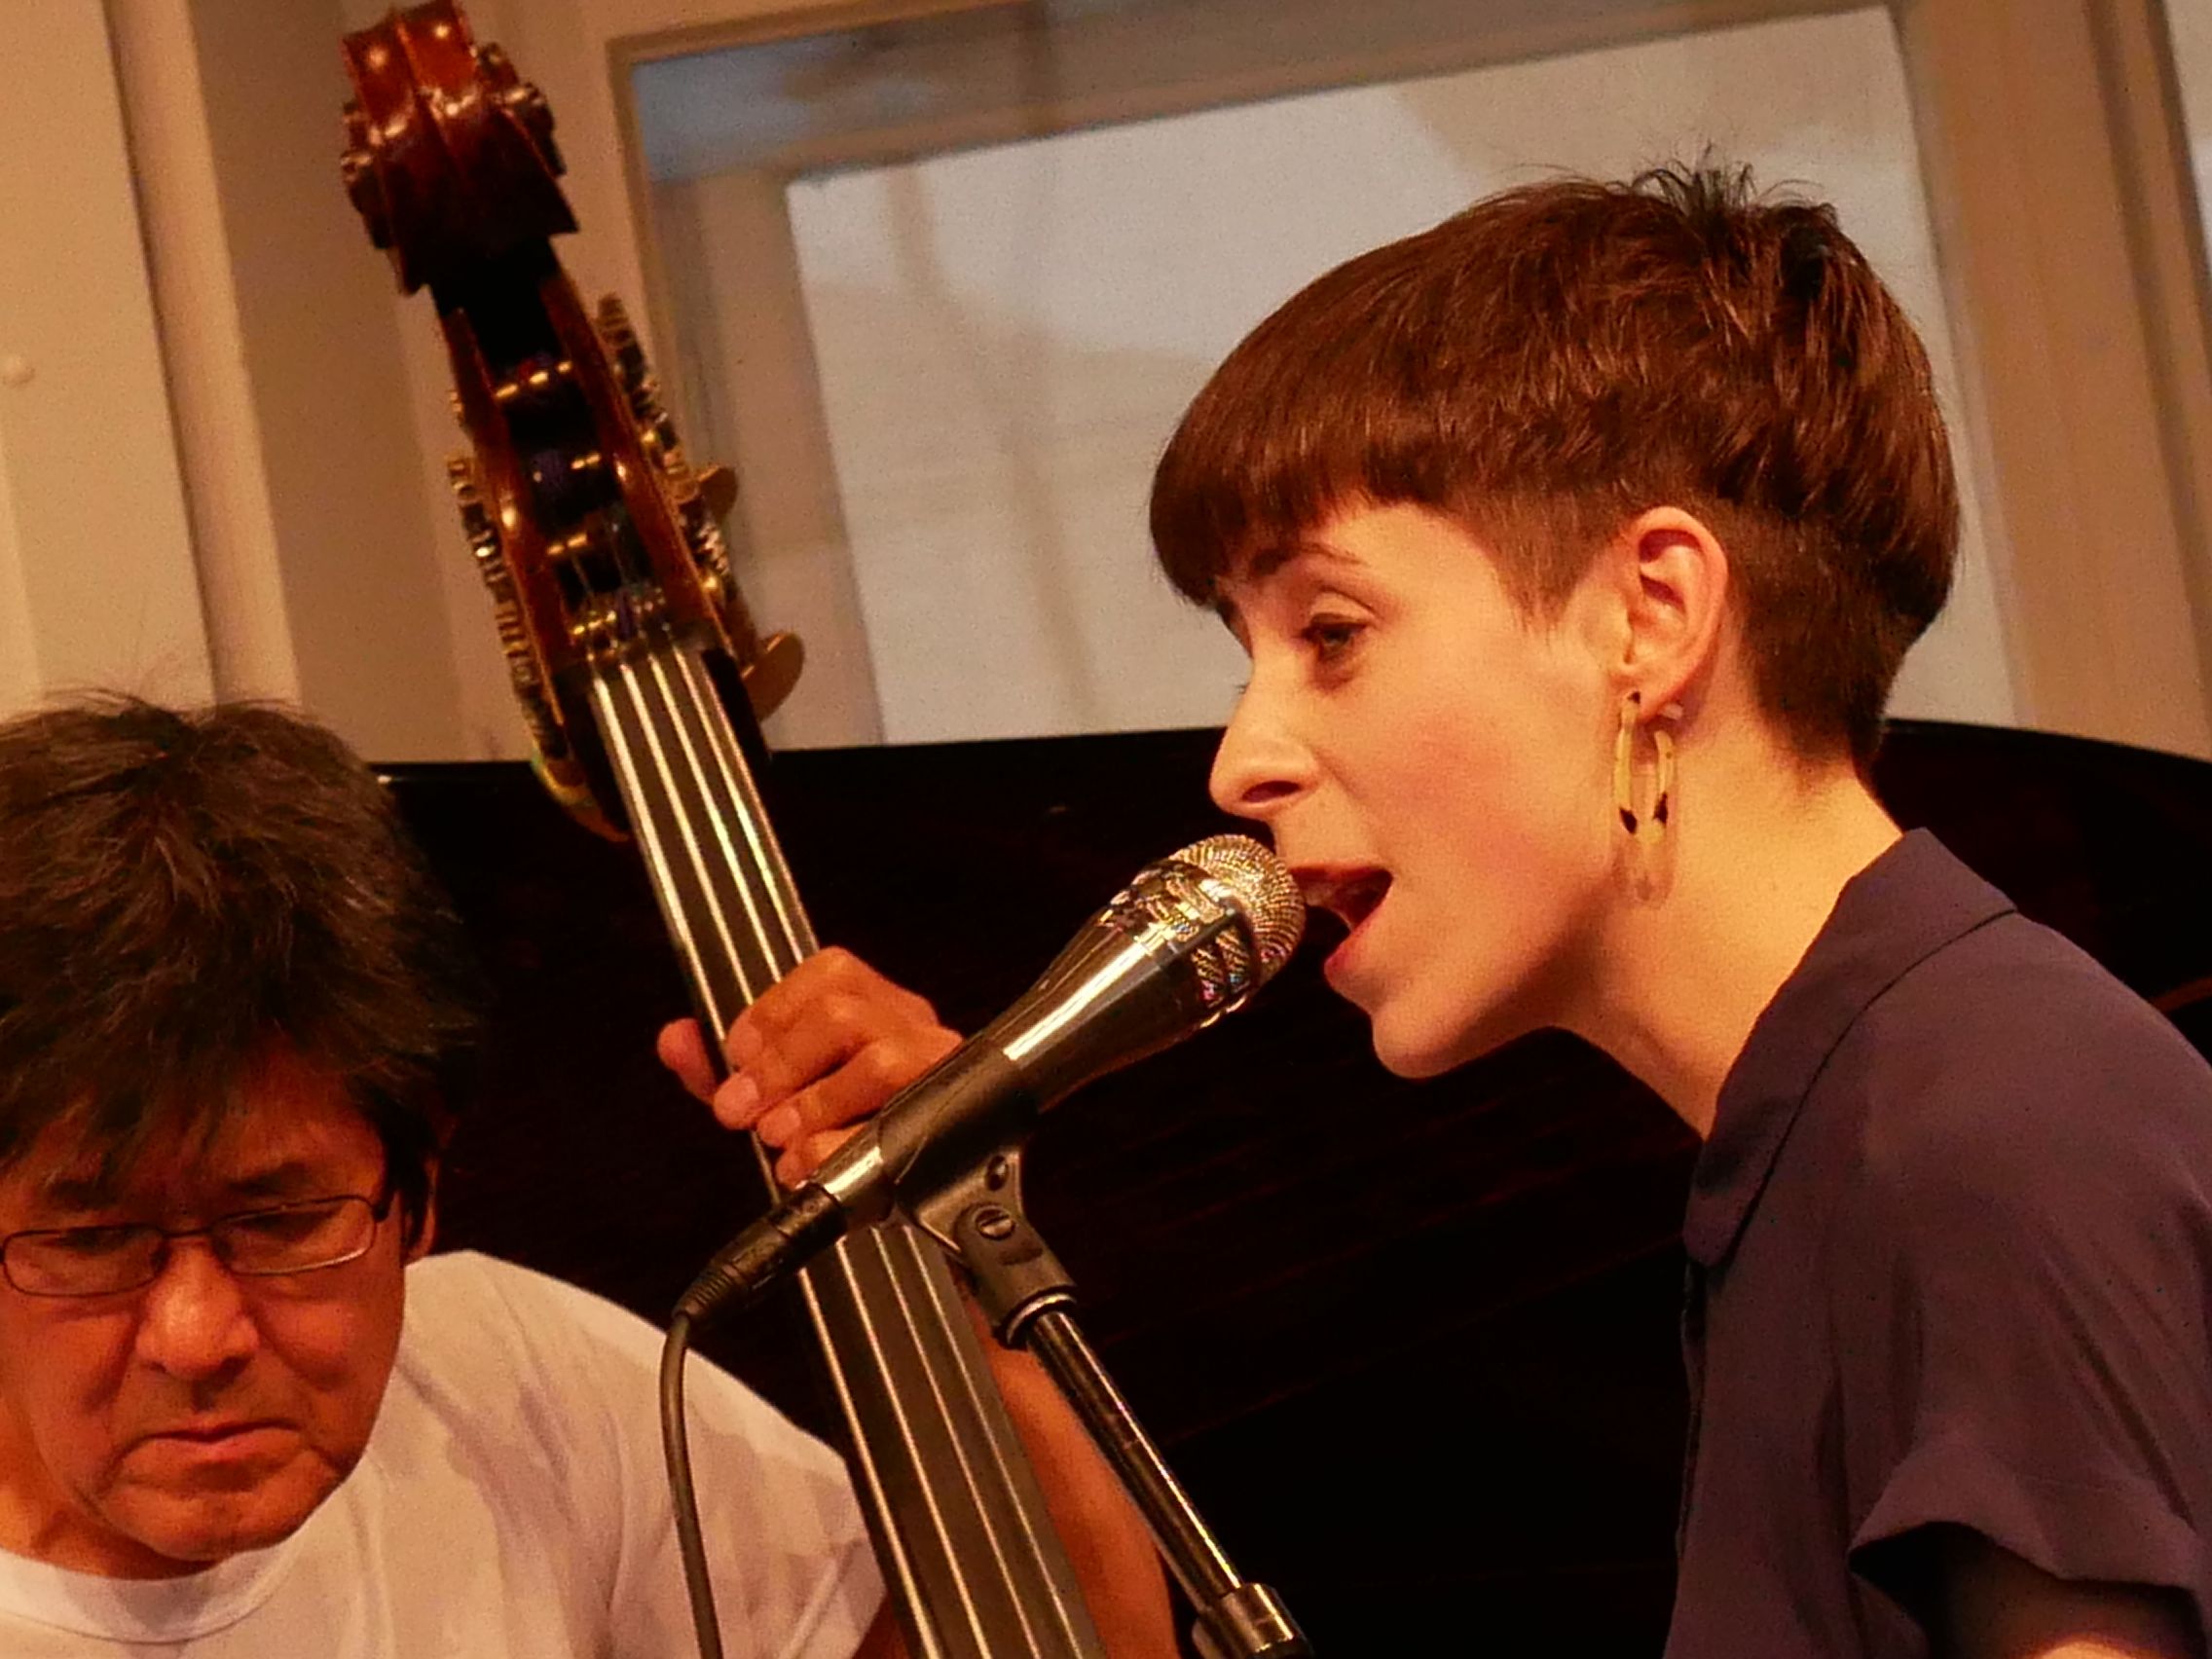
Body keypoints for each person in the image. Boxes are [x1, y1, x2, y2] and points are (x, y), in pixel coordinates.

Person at [664, 166, 2212, 1658]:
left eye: (1331, 633)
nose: (1240, 761)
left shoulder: (1989, 1130)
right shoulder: (1843, 1136)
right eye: (1249, 655)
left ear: (1652, 617)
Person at [0, 696, 1168, 1657]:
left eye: (284, 1222)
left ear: (419, 1195)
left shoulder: (517, 1384)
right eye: (92, 1242)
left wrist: (953, 1256)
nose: (196, 1337)